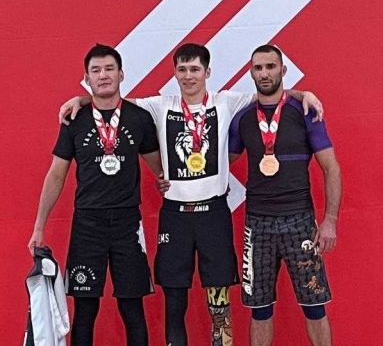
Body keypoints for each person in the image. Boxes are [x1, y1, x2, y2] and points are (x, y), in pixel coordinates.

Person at [59, 43, 324, 346]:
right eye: (182, 70)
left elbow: (270, 95)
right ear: (174, 73)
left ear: (207, 72)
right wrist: (81, 99)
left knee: (219, 305)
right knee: (175, 305)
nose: (188, 76)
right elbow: (111, 100)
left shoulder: (226, 101)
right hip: (175, 217)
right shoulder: (160, 105)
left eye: (195, 69)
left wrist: (303, 94)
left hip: (214, 215)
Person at [28, 44, 162, 346]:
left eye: (109, 69)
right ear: (87, 78)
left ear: (121, 74)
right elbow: (56, 175)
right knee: (85, 310)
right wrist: (38, 227)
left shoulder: (139, 118)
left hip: (127, 224)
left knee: (132, 308)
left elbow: (160, 169)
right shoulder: (74, 120)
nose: (103, 75)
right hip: (88, 225)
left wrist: (171, 182)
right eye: (96, 70)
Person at [229, 44, 341, 346]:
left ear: (283, 70)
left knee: (314, 305)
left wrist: (329, 221)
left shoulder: (305, 111)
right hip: (258, 225)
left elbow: (331, 167)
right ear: (251, 73)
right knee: (259, 309)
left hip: (299, 222)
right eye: (258, 68)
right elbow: (219, 165)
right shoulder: (241, 118)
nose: (264, 73)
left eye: (270, 66)